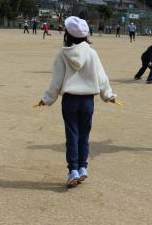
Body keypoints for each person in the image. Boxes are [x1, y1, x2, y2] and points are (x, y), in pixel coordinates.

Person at [37, 16, 117, 188]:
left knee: (72, 135)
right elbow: (102, 77)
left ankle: (72, 170)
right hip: (88, 101)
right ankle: (82, 168)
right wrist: (108, 94)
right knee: (84, 135)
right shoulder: (92, 53)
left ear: (67, 34)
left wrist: (47, 99)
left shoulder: (63, 54)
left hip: (70, 101)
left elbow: (56, 82)